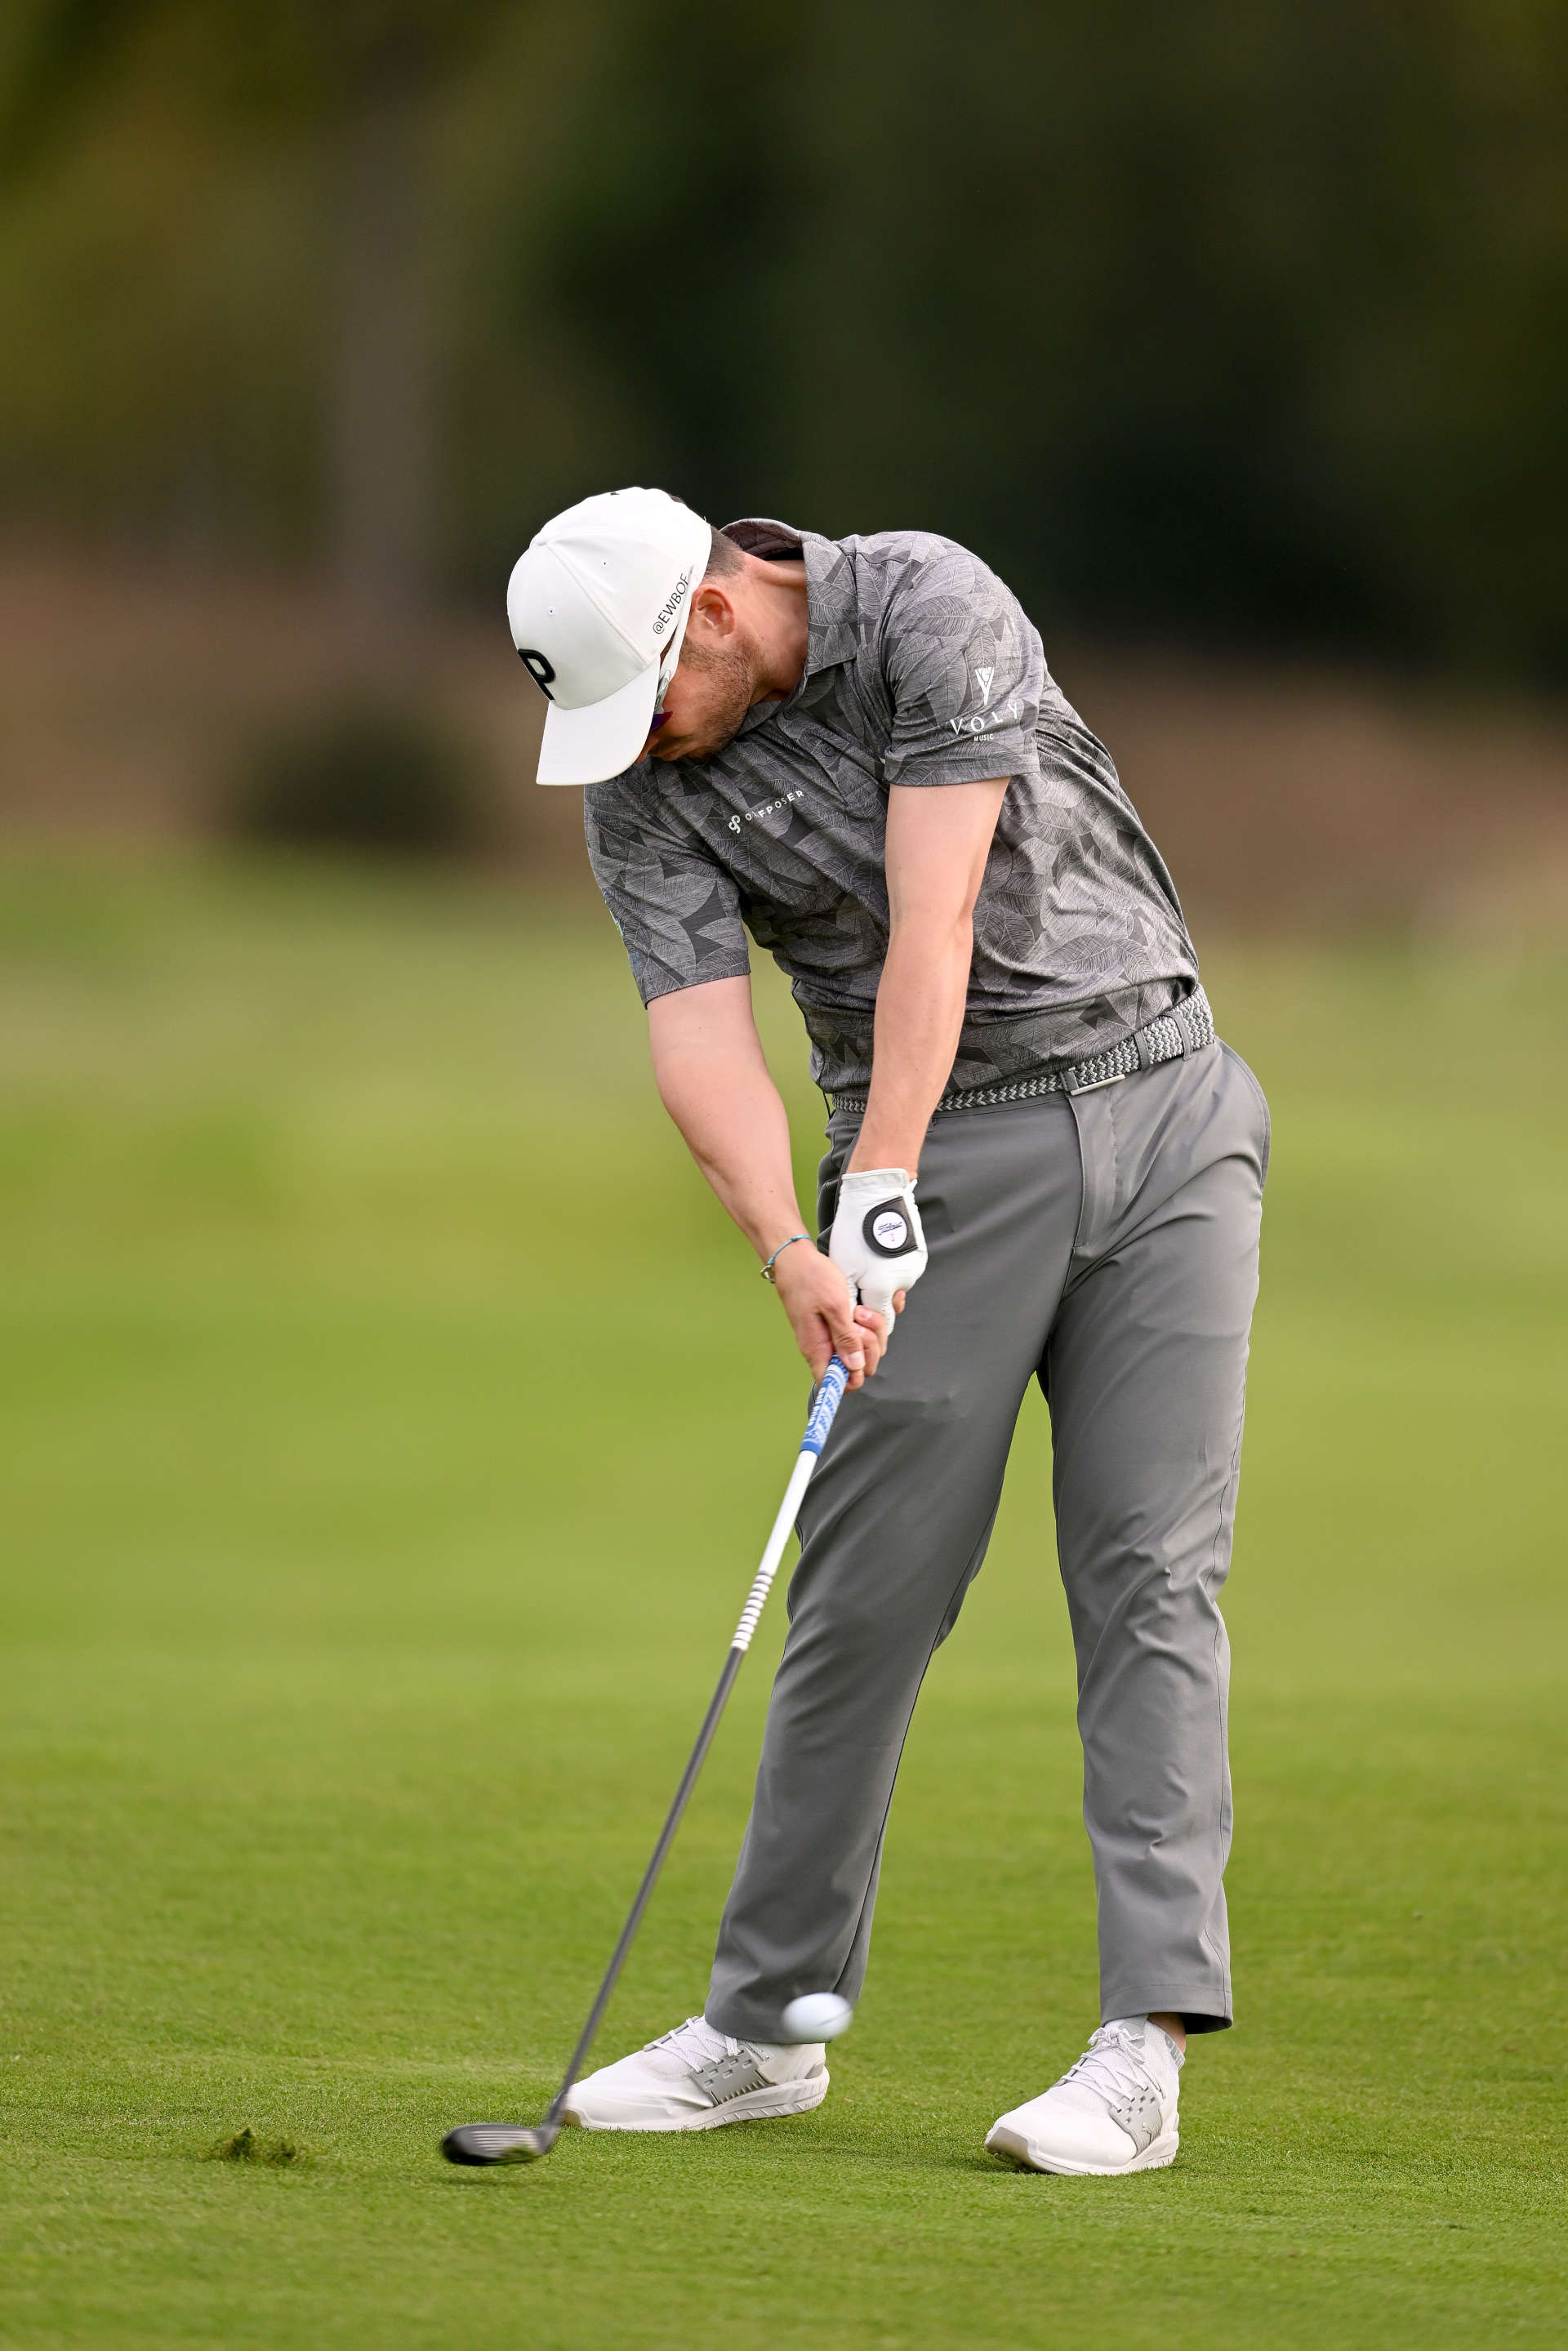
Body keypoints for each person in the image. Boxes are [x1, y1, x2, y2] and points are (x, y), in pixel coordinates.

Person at [504, 486, 1268, 2175]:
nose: (646, 745)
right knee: (864, 1593)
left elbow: (939, 917)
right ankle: (766, 2029)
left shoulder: (928, 604)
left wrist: (886, 1178)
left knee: (1149, 1570)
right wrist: (791, 1238)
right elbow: (698, 1037)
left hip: (1163, 1100)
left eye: (654, 701)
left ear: (710, 614)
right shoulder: (639, 791)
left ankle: (1139, 2052)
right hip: (932, 1166)